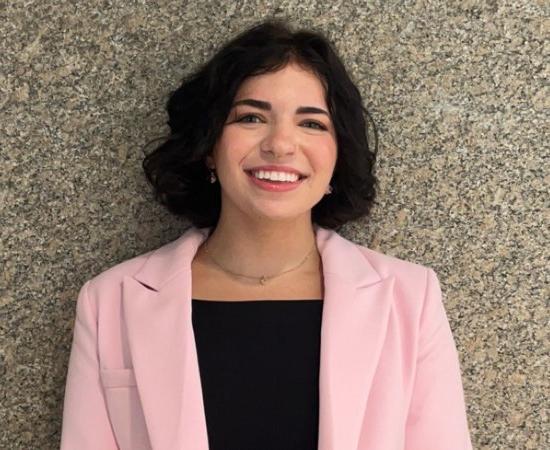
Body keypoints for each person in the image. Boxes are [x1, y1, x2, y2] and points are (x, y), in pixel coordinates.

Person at [60, 18, 473, 450]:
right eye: (251, 117)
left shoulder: (409, 298)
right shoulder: (111, 302)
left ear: (338, 156)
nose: (281, 144)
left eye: (312, 123)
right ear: (209, 148)